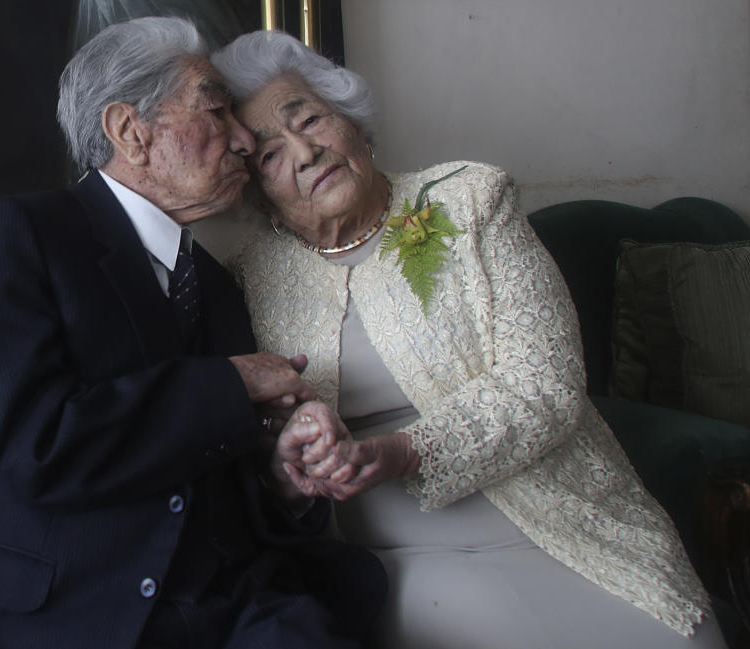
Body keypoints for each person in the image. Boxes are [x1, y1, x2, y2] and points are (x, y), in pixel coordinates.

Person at [211, 30, 729, 649]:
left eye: (311, 119)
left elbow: (548, 384)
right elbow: (258, 444)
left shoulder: (469, 199)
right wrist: (290, 462)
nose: (304, 152)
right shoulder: (251, 277)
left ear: (355, 125)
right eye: (269, 155)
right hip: (395, 559)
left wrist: (402, 452)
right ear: (260, 197)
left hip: (558, 517)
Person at [0, 17, 386, 649]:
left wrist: (286, 475)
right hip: (80, 610)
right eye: (216, 111)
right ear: (131, 132)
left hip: (235, 605)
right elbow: (34, 448)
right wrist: (233, 381)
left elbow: (229, 486)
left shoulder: (218, 282)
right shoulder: (25, 233)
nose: (242, 140)